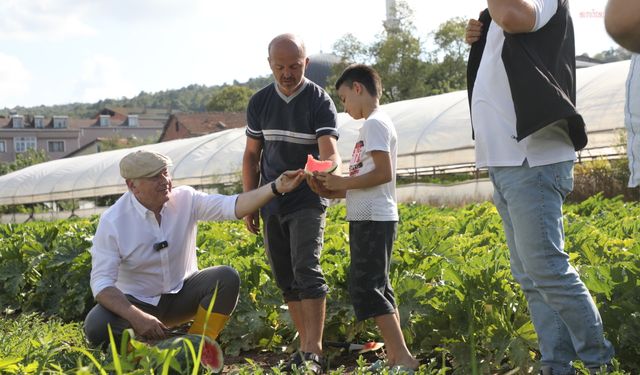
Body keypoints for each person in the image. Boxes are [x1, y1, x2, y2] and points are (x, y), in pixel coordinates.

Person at [465, 1, 615, 374]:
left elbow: (517, 17)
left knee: (546, 269)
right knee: (531, 276)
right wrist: (482, 33)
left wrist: (497, 16)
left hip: (532, 157)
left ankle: (599, 362)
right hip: (506, 159)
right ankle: (556, 365)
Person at [84, 149, 305, 347]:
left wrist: (276, 187)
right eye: (154, 177)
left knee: (226, 278)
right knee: (96, 324)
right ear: (132, 185)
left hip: (181, 296)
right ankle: (144, 354)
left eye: (165, 173)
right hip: (139, 304)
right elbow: (102, 284)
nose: (165, 181)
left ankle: (197, 346)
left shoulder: (185, 199)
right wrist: (137, 316)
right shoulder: (114, 221)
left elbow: (232, 206)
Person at [242, 33, 341, 374]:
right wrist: (251, 200)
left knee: (307, 269)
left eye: (295, 66)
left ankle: (314, 351)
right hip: (271, 198)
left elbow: (329, 152)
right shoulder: (259, 102)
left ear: (306, 63)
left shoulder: (319, 100)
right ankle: (304, 348)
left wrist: (324, 170)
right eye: (280, 66)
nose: (287, 73)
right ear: (269, 64)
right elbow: (252, 156)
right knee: (285, 276)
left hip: (307, 197)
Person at [314, 64, 419, 373]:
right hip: (369, 214)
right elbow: (366, 178)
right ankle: (397, 356)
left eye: (344, 99)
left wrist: (342, 182)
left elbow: (384, 174)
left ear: (358, 88)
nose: (345, 109)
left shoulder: (375, 124)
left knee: (367, 288)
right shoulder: (372, 126)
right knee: (379, 286)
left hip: (373, 218)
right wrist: (332, 189)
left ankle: (402, 358)